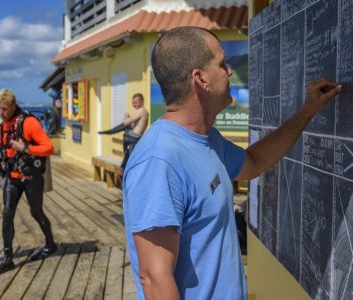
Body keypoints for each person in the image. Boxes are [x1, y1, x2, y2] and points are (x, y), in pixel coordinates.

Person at [122, 27, 342, 300]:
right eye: (222, 64)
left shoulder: (206, 139)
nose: (228, 71)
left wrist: (308, 110)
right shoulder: (159, 161)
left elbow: (253, 162)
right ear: (200, 78)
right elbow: (155, 279)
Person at [0, 88, 57, 276]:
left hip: (31, 177)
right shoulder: (5, 122)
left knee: (36, 212)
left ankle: (50, 244)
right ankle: (7, 259)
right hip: (12, 177)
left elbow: (49, 148)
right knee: (7, 214)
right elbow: (2, 144)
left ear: (13, 106)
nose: (1, 113)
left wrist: (26, 147)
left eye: (5, 109)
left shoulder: (29, 122)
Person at [99, 93, 148, 168]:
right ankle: (125, 154)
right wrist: (127, 118)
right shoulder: (140, 111)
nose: (134, 104)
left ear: (142, 101)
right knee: (126, 132)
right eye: (133, 102)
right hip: (134, 136)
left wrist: (126, 117)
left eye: (136, 102)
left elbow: (126, 123)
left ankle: (109, 132)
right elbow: (131, 125)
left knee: (125, 131)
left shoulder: (141, 111)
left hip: (134, 137)